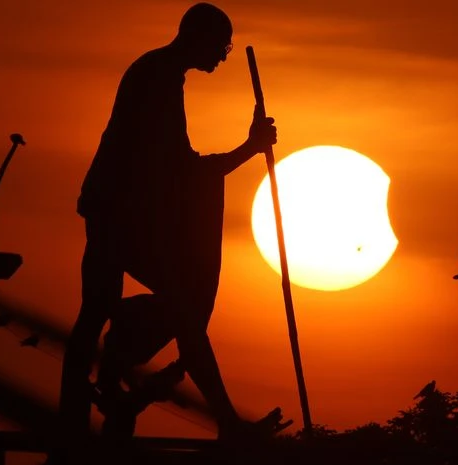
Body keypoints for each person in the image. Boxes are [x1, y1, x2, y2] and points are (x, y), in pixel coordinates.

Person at [55, 2, 287, 461]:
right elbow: (181, 170)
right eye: (220, 47)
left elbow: (177, 168)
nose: (223, 57)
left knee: (105, 310)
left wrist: (245, 148)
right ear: (197, 37)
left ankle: (79, 413)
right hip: (119, 212)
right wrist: (249, 148)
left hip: (120, 210)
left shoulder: (160, 74)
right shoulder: (157, 78)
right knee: (171, 308)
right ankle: (223, 423)